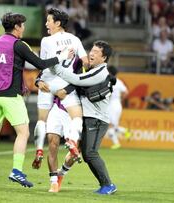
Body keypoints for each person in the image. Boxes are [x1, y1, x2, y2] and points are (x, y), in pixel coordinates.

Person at [0, 12, 71, 189]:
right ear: (16, 27)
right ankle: (16, 171)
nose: (23, 28)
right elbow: (40, 63)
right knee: (23, 133)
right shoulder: (18, 44)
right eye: (22, 25)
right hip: (10, 93)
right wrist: (62, 57)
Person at [51, 40, 117, 195]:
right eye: (91, 50)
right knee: (77, 150)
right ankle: (61, 174)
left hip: (96, 119)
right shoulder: (92, 70)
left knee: (90, 153)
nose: (91, 54)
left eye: (96, 52)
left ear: (104, 58)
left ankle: (108, 185)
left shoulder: (100, 72)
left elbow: (76, 80)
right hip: (88, 117)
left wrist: (55, 66)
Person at [32, 8, 88, 169]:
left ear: (57, 23)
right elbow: (85, 62)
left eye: (49, 21)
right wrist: (78, 76)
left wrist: (38, 80)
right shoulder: (75, 39)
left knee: (42, 120)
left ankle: (39, 151)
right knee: (77, 117)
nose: (46, 24)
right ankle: (71, 140)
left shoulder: (46, 41)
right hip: (65, 85)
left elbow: (43, 65)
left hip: (47, 83)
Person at [46, 97, 81, 193]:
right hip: (57, 108)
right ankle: (54, 181)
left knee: (76, 149)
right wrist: (39, 82)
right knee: (52, 143)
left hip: (75, 111)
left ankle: (61, 173)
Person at [107, 65, 131, 149]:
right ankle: (125, 131)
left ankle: (116, 143)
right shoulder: (119, 81)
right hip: (117, 104)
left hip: (112, 105)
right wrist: (120, 99)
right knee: (113, 125)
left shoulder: (108, 81)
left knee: (109, 125)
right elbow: (126, 92)